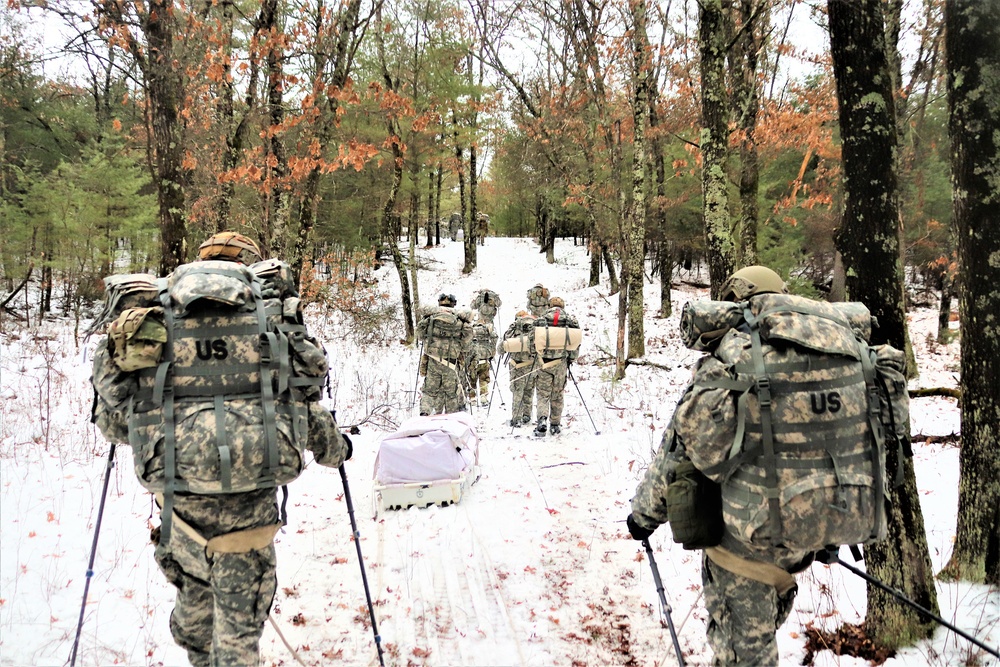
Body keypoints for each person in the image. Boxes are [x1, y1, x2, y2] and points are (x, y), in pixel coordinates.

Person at [90, 231, 351, 667]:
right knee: (237, 644)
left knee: (195, 630)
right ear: (250, 267)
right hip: (249, 523)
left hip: (180, 517)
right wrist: (337, 450)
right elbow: (304, 401)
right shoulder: (269, 321)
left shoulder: (157, 321)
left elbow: (115, 422)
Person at [626, 265, 908, 666]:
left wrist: (643, 517)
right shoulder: (841, 351)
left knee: (746, 655)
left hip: (747, 541)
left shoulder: (737, 360)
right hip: (814, 532)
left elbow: (682, 450)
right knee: (760, 635)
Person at [417, 293, 473, 415]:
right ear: (454, 304)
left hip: (433, 360)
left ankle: (424, 413)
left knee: (429, 390)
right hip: (451, 362)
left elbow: (420, 335)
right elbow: (467, 341)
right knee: (451, 393)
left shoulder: (430, 318)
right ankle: (450, 418)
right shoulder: (460, 321)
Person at [532, 296, 580, 436]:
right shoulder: (570, 321)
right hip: (561, 363)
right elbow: (575, 343)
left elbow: (532, 341)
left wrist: (536, 357)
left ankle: (542, 419)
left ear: (549, 305)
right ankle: (555, 424)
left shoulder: (541, 320)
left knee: (543, 394)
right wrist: (571, 359)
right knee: (558, 394)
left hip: (544, 363)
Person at [500, 310, 539, 428]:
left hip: (517, 365)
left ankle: (516, 418)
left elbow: (504, 342)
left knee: (517, 391)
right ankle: (527, 415)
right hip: (532, 364)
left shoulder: (515, 327)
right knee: (529, 390)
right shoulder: (536, 327)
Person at [465, 312, 498, 404]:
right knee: (484, 379)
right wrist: (492, 350)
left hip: (473, 360)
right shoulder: (487, 330)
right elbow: (495, 338)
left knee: (472, 379)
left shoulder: (471, 329)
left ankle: (472, 398)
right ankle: (483, 396)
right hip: (485, 359)